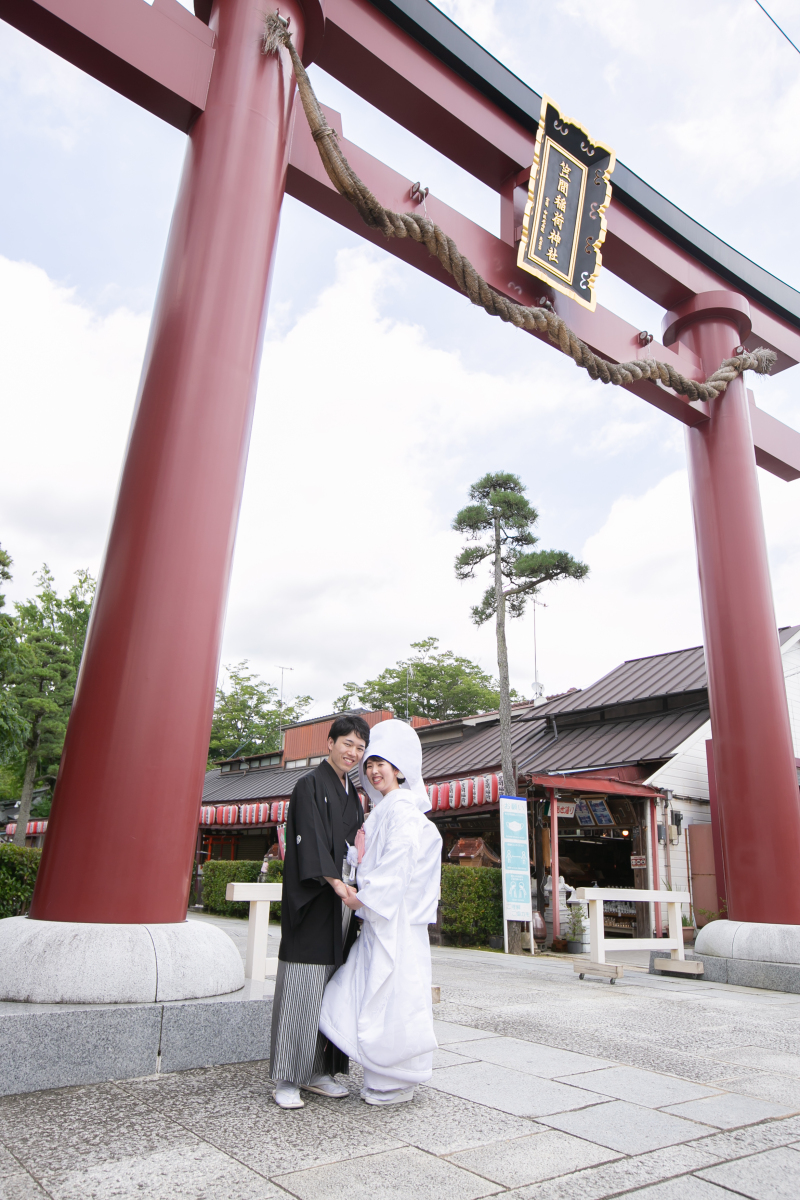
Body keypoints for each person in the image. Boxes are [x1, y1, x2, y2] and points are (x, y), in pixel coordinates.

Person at [319, 719, 442, 1105]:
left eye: (381, 763)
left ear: (400, 769)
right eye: (369, 764)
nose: (373, 771)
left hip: (395, 920)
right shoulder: (384, 810)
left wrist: (364, 897)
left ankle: (393, 1078)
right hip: (385, 919)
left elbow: (398, 865)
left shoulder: (401, 810)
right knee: (378, 990)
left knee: (393, 992)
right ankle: (384, 1076)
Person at [269, 713, 369, 1109]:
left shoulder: (355, 795)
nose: (353, 753)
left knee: (331, 989)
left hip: (343, 906)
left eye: (360, 748)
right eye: (347, 744)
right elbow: (308, 840)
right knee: (302, 985)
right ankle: (287, 1077)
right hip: (314, 900)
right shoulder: (309, 784)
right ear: (330, 742)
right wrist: (335, 883)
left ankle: (317, 1070)